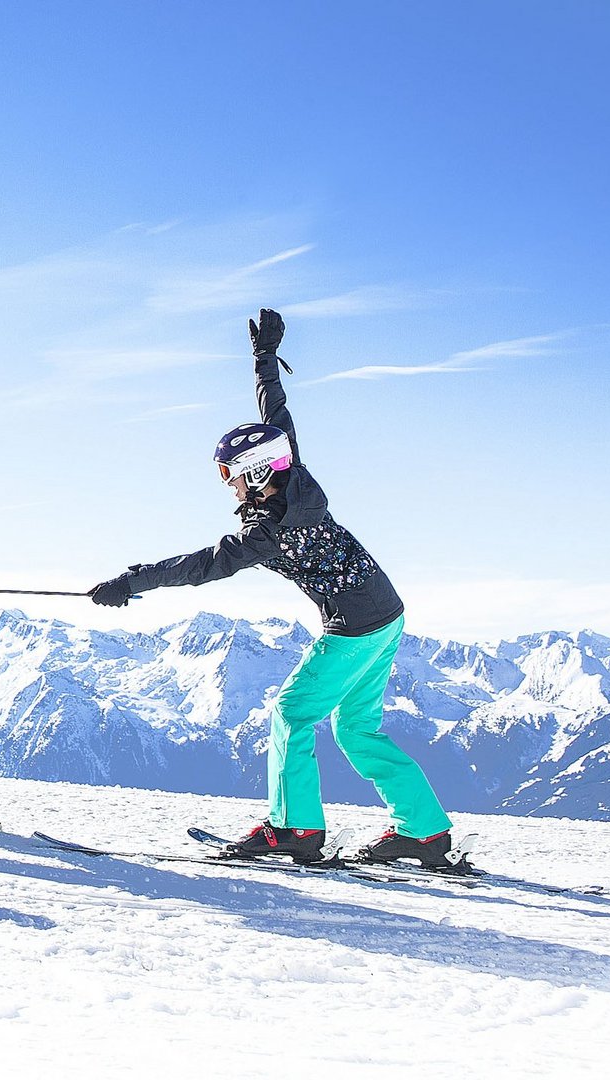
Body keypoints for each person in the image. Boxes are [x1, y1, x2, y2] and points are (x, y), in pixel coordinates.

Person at [89, 309, 456, 869]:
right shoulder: (298, 480)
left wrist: (131, 581)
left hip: (355, 628)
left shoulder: (264, 533)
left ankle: (295, 829)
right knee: (357, 728)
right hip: (386, 614)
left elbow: (199, 565)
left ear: (258, 472)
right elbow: (276, 414)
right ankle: (424, 831)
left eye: (230, 473)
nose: (227, 484)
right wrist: (264, 361)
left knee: (291, 714)